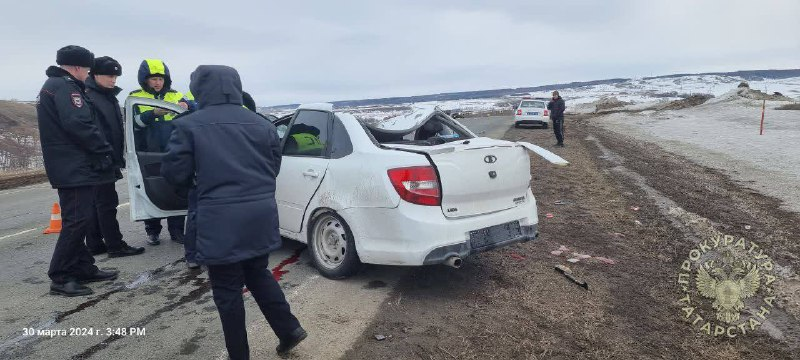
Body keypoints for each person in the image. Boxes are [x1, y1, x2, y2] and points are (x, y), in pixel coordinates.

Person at [161, 65, 306, 358]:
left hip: (219, 220)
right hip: (260, 215)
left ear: (199, 89)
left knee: (227, 291)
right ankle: (289, 329)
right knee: (258, 273)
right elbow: (273, 168)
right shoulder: (262, 124)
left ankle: (239, 354)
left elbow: (175, 174)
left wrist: (198, 189)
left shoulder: (187, 125)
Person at [37, 45, 119, 296]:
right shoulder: (65, 87)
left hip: (72, 164)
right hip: (73, 166)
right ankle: (60, 276)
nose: (88, 73)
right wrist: (103, 149)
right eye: (86, 68)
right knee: (75, 221)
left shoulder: (56, 85)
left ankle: (83, 267)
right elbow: (79, 123)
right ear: (75, 67)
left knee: (80, 219)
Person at [83, 56, 145, 258]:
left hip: (104, 157)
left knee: (96, 203)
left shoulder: (106, 95)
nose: (113, 80)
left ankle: (94, 243)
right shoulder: (91, 96)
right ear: (95, 74)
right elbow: (94, 131)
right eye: (110, 76)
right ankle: (115, 245)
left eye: (116, 77)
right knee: (107, 203)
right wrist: (104, 155)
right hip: (101, 159)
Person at [129, 58, 191, 246]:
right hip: (149, 153)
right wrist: (152, 114)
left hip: (174, 152)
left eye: (160, 79)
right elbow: (134, 124)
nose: (157, 82)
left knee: (177, 191)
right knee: (152, 190)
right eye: (153, 78)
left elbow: (188, 118)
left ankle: (177, 231)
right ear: (145, 79)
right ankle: (153, 231)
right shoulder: (135, 97)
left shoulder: (175, 95)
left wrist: (187, 107)